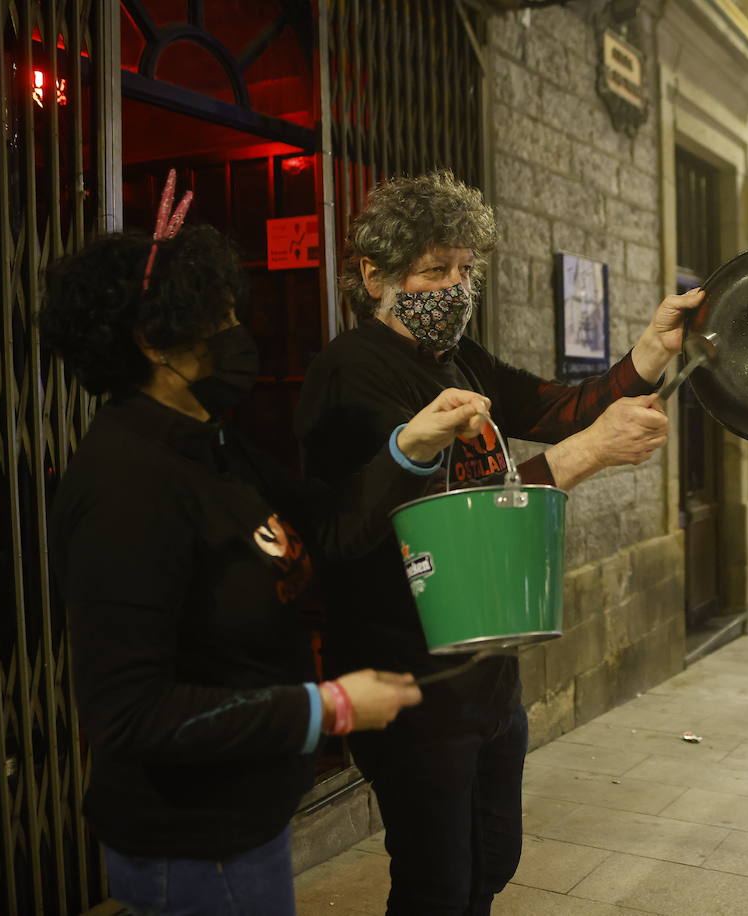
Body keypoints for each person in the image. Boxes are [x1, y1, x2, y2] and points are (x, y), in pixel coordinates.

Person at [40, 218, 492, 912]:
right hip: (191, 839)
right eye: (217, 321)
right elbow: (129, 713)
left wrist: (412, 447)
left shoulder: (215, 447)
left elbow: (335, 523)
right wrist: (328, 707)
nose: (238, 336)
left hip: (249, 817)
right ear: (153, 343)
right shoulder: (124, 487)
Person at [294, 170, 698, 915]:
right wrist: (584, 456)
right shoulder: (350, 371)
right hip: (408, 676)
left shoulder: (464, 359)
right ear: (373, 275)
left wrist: (648, 352)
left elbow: (555, 405)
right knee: (435, 884)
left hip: (485, 672)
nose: (455, 284)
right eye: (434, 269)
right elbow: (447, 514)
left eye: (465, 268)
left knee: (493, 859)